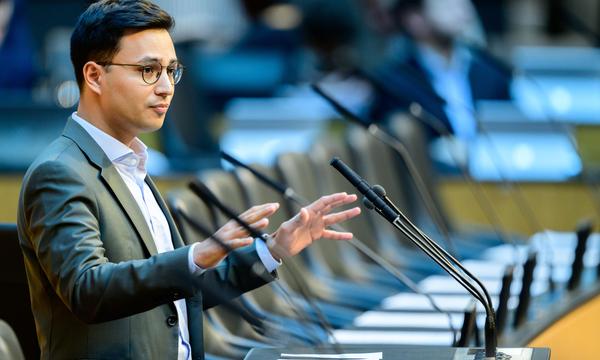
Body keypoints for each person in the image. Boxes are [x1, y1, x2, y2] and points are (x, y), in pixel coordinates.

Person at [16, 1, 360, 359]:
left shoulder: (130, 164)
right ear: (94, 76)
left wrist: (271, 251)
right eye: (148, 70)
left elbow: (171, 293)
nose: (166, 87)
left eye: (171, 70)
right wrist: (198, 254)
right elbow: (87, 291)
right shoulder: (61, 172)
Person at [369, 0, 512, 142]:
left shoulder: (492, 72)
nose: (459, 7)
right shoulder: (394, 82)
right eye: (446, 3)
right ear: (414, 18)